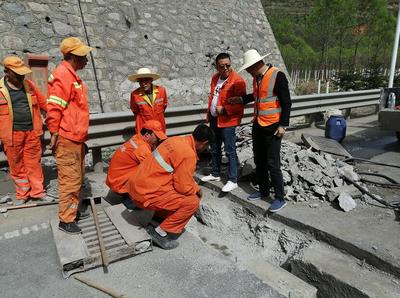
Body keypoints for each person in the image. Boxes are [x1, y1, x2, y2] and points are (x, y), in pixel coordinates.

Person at [126, 124, 214, 249]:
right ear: (204, 143)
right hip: (144, 194)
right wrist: (197, 189)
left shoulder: (174, 140)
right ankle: (161, 233)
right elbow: (183, 187)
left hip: (136, 187)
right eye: (207, 146)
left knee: (171, 190)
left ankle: (156, 222)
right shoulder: (188, 154)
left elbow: (175, 176)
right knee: (192, 201)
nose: (206, 149)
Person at [228, 49, 292, 213]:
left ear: (256, 64)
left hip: (273, 126)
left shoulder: (278, 76)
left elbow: (287, 102)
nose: (248, 71)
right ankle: (263, 190)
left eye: (249, 68)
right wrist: (242, 99)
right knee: (259, 160)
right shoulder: (258, 78)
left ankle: (279, 197)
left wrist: (283, 125)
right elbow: (258, 96)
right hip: (258, 124)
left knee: (273, 163)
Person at [46, 37, 94, 234]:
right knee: (70, 180)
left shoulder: (71, 75)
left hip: (76, 138)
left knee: (77, 177)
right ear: (73, 56)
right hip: (67, 139)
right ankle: (66, 220)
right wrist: (55, 133)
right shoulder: (63, 75)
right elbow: (54, 107)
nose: (87, 60)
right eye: (84, 56)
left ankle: (72, 211)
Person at [0, 56, 47, 205]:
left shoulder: (29, 85)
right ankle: (23, 193)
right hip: (12, 135)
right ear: (7, 72)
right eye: (17, 73)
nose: (21, 76)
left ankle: (37, 192)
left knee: (34, 164)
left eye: (23, 73)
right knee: (17, 165)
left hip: (32, 133)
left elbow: (44, 104)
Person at [201, 53, 246, 193]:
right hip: (215, 119)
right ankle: (215, 173)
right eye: (222, 66)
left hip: (228, 121)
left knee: (229, 150)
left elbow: (241, 104)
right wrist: (210, 113)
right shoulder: (215, 78)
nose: (226, 68)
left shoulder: (238, 81)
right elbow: (213, 97)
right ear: (217, 67)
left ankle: (233, 180)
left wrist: (225, 110)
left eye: (228, 65)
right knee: (214, 147)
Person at [106, 119, 167, 198]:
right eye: (157, 137)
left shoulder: (137, 138)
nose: (159, 140)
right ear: (147, 135)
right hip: (120, 186)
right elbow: (155, 169)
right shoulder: (141, 148)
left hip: (115, 181)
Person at [128, 67, 168, 134]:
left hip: (159, 128)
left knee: (161, 144)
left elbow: (164, 106)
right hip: (144, 129)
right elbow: (135, 111)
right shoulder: (134, 95)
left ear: (151, 80)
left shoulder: (161, 91)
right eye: (140, 81)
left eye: (146, 80)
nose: (143, 83)